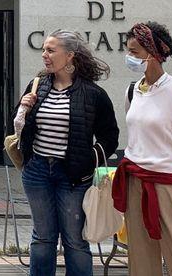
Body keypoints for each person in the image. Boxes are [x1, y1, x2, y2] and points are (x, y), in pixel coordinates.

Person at [14, 30, 120, 276]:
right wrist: (23, 109)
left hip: (73, 176)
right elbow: (19, 128)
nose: (44, 55)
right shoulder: (37, 85)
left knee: (74, 240)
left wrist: (89, 159)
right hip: (37, 171)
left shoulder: (93, 94)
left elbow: (110, 136)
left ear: (70, 56)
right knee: (42, 238)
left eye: (51, 50)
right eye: (43, 49)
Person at [113, 21, 172, 276]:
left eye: (134, 52)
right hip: (135, 179)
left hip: (166, 183)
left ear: (153, 54)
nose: (129, 57)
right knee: (140, 253)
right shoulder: (133, 91)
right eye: (128, 50)